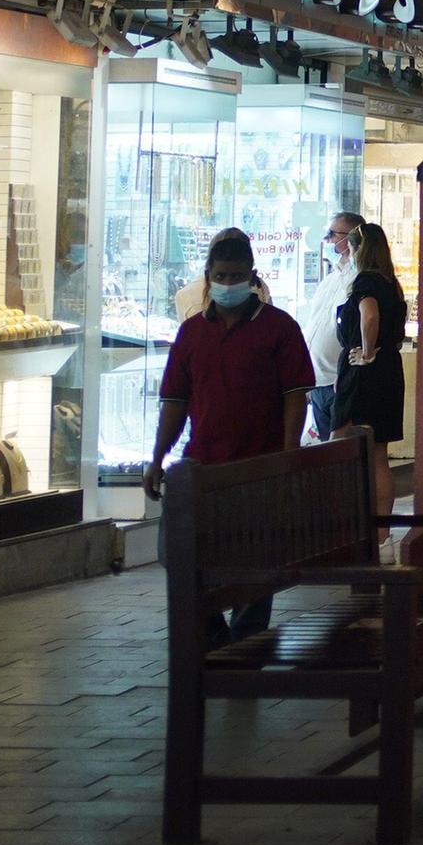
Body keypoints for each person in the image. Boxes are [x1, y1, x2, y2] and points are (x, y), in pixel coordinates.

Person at [144, 230, 314, 645]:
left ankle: (246, 642)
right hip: (203, 467)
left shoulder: (280, 328)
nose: (229, 283)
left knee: (257, 563)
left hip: (259, 468)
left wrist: (288, 456)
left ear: (252, 277)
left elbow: (296, 395)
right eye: (222, 275)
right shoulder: (191, 335)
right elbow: (175, 401)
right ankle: (220, 640)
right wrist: (157, 457)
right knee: (182, 557)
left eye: (238, 275)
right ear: (207, 277)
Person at [328, 222, 409, 539]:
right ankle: (381, 536)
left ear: (360, 249)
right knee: (378, 455)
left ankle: (343, 529)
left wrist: (365, 351)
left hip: (365, 372)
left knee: (340, 443)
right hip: (389, 371)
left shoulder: (365, 281)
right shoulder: (391, 282)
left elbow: (369, 315)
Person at [306, 210, 362, 439]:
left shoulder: (359, 279)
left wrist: (347, 376)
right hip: (317, 382)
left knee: (342, 452)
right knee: (323, 453)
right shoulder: (330, 279)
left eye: (332, 234)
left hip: (340, 382)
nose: (327, 240)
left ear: (350, 238)